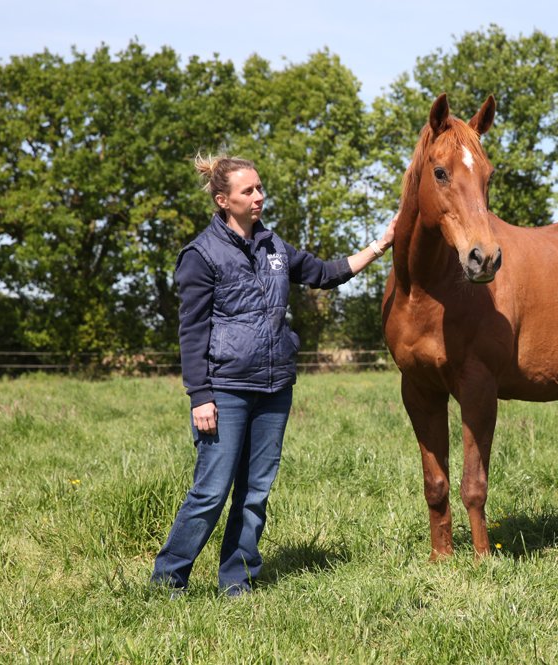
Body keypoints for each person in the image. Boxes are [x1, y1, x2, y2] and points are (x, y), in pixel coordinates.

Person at [151, 154, 397, 597]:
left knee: (254, 493)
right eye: (248, 191)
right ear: (223, 200)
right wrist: (200, 396)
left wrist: (381, 245)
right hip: (225, 389)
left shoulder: (274, 247)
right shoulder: (200, 255)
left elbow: (325, 273)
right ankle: (168, 579)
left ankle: (237, 582)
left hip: (275, 387)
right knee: (211, 492)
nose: (258, 196)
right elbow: (192, 331)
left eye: (260, 188)